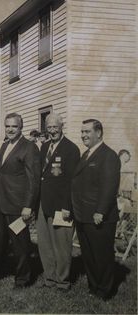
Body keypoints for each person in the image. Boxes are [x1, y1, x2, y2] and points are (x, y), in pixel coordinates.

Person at [71, 119, 120, 300]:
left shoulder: (108, 155)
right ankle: (94, 287)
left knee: (102, 256)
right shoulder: (86, 155)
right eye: (82, 132)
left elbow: (109, 187)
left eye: (87, 132)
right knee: (89, 255)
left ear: (98, 133)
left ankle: (105, 292)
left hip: (99, 216)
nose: (83, 135)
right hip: (83, 215)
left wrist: (100, 211)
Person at [0, 112, 40, 288]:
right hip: (1, 203)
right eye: (8, 126)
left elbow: (33, 180)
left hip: (18, 206)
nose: (10, 129)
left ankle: (22, 279)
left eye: (14, 126)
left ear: (21, 127)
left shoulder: (29, 147)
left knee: (20, 245)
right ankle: (0, 272)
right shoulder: (5, 145)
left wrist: (28, 206)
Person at [36, 113, 80, 291]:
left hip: (61, 205)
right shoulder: (45, 146)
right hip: (43, 202)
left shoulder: (71, 149)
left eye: (55, 127)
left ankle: (62, 281)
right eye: (49, 127)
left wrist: (67, 206)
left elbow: (72, 181)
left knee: (61, 245)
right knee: (45, 243)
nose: (52, 130)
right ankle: (49, 278)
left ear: (62, 127)